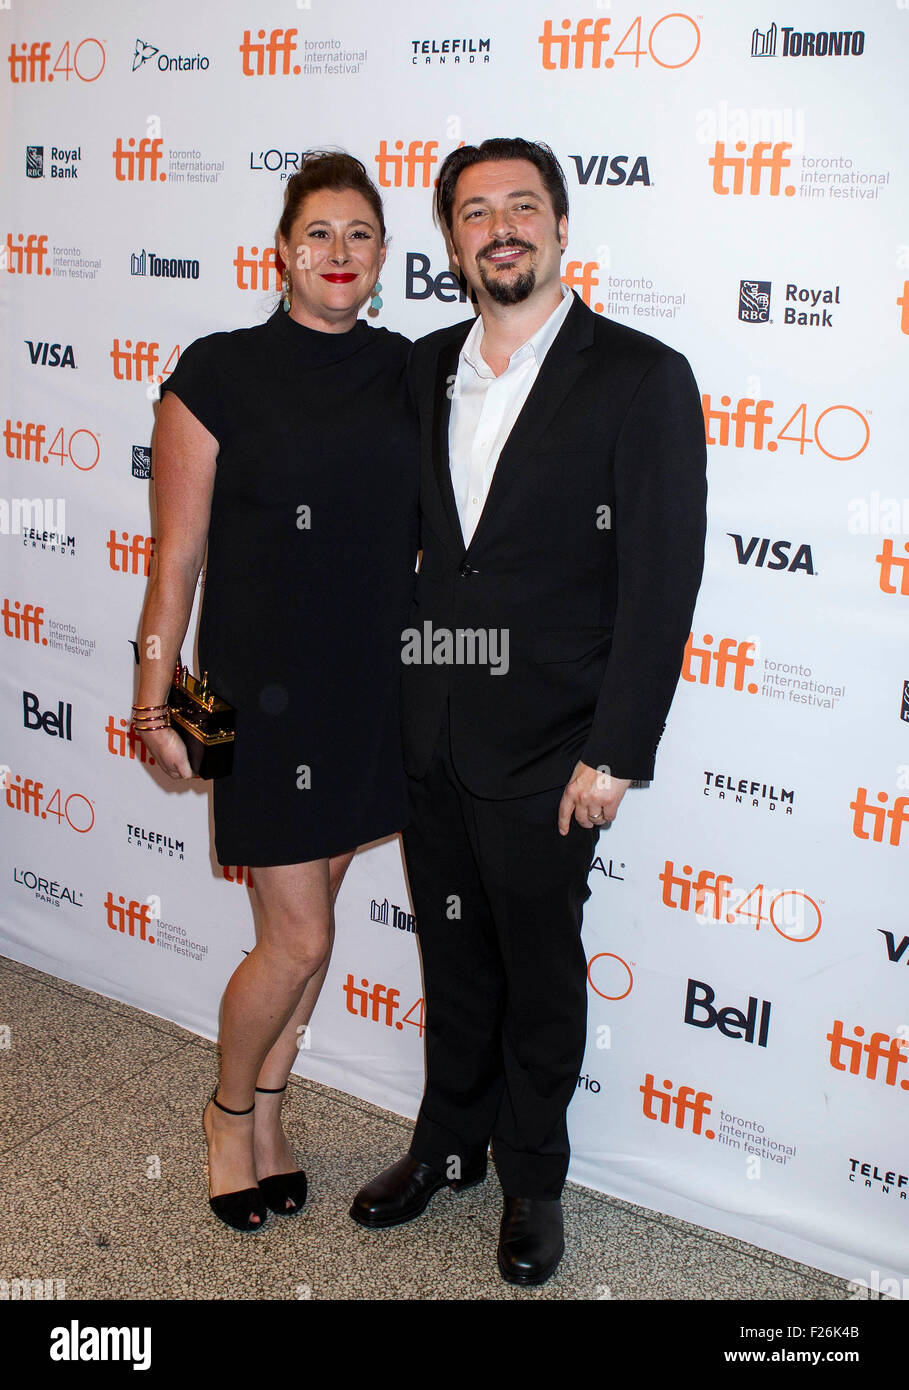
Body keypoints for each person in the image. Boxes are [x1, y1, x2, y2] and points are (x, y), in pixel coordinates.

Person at [350, 138, 707, 1284]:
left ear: (559, 225)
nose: (499, 227)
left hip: (555, 748)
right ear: (453, 241)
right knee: (453, 956)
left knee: (541, 976)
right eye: (474, 212)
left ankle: (533, 1180)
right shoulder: (421, 368)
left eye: (520, 206)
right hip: (432, 728)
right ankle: (446, 1147)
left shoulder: (641, 376)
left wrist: (617, 749)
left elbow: (662, 580)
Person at [133, 152, 418, 1232]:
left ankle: (270, 1110)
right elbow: (177, 555)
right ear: (283, 252)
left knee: (317, 923)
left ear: (382, 257)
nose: (339, 252)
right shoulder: (218, 372)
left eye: (360, 234)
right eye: (319, 234)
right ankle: (226, 1113)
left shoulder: (411, 372)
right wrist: (154, 701)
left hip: (369, 692)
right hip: (263, 697)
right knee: (294, 938)